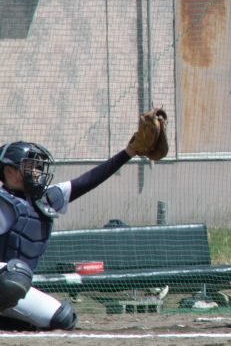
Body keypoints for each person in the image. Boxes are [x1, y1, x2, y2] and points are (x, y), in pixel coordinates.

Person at [0, 111, 167, 330]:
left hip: (12, 289)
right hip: (6, 280)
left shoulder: (44, 199)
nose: (38, 171)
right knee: (13, 276)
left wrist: (129, 152)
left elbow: (88, 180)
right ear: (9, 171)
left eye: (38, 166)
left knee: (64, 318)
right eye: (30, 166)